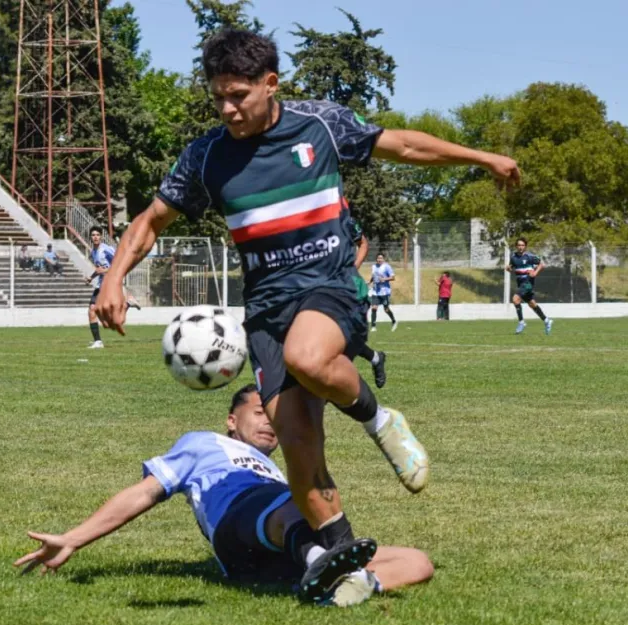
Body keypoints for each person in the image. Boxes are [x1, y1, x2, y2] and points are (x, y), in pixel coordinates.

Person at [94, 28, 520, 595]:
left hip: (328, 286)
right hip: (265, 310)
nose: (227, 108)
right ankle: (340, 564)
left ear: (271, 84)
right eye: (218, 97)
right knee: (297, 443)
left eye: (239, 95)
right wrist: (114, 277)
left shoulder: (320, 124)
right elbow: (151, 221)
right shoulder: (205, 156)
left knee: (309, 356)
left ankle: (379, 419)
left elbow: (404, 146)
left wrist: (481, 157)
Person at [15, 384, 434, 606]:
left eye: (275, 417)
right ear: (232, 420)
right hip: (239, 526)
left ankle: (340, 587)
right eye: (260, 413)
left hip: (277, 550)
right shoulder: (203, 443)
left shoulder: (276, 466)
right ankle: (321, 564)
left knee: (418, 562)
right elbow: (144, 493)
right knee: (297, 499)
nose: (270, 423)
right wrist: (73, 539)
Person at [346, 212, 386, 389]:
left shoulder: (343, 220)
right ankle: (376, 358)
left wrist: (353, 267)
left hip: (353, 291)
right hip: (321, 289)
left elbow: (363, 243)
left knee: (348, 340)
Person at [85, 226, 141, 349]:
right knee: (92, 311)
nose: (95, 237)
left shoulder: (106, 249)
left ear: (101, 236)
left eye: (97, 235)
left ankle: (128, 303)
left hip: (111, 283)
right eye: (93, 235)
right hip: (101, 284)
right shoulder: (93, 251)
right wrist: (91, 277)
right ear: (90, 237)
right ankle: (98, 342)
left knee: (111, 316)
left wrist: (104, 271)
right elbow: (99, 269)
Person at [506, 237, 552, 335]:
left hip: (528, 283)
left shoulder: (530, 256)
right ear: (516, 246)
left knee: (515, 299)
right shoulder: (513, 257)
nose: (520, 247)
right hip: (520, 283)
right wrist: (509, 269)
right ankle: (547, 320)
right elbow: (511, 267)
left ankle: (521, 322)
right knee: (531, 303)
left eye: (522, 245)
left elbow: (542, 264)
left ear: (525, 246)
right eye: (519, 245)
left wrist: (535, 272)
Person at [369, 253, 397, 332]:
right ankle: (373, 326)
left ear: (383, 259)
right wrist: (370, 282)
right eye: (378, 258)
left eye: (381, 258)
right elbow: (374, 276)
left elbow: (393, 277)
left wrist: (384, 279)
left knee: (386, 309)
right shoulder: (374, 266)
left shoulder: (387, 267)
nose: (379, 260)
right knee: (374, 308)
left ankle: (394, 321)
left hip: (384, 291)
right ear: (376, 259)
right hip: (375, 291)